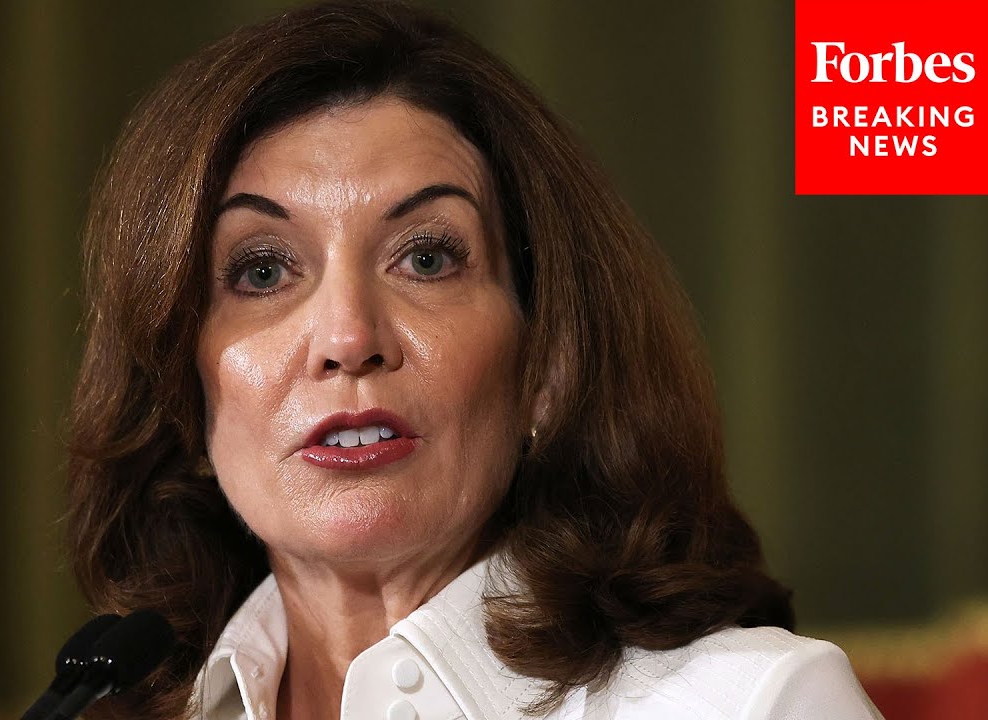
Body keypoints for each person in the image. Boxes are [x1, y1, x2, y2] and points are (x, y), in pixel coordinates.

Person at [63, 1, 884, 718]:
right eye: (263, 271)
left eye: (425, 258)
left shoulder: (751, 705)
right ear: (182, 387)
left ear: (548, 367)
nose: (348, 337)